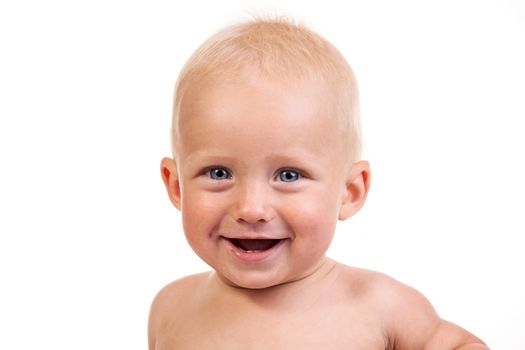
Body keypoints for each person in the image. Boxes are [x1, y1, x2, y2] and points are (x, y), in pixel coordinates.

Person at [149, 17, 488, 349]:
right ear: (177, 185)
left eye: (288, 175)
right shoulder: (171, 308)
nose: (251, 209)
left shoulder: (380, 307)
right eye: (219, 173)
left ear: (350, 192)